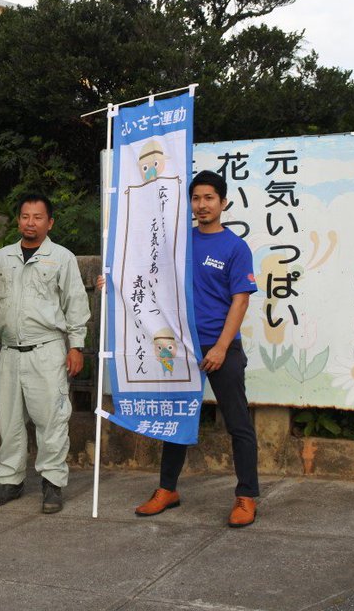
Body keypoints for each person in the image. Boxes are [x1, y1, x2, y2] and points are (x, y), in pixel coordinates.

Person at [132, 169, 260, 528]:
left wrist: (221, 347)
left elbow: (240, 302)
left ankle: (246, 495)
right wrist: (111, 281)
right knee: (177, 423)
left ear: (223, 203)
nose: (201, 205)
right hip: (182, 350)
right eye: (196, 198)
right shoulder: (179, 243)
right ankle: (167, 490)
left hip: (222, 350)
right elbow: (147, 278)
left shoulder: (235, 247)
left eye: (209, 198)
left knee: (238, 425)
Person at [0, 192, 91, 514]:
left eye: (38, 217)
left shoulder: (62, 258)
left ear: (50, 222)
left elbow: (76, 305)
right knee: (10, 421)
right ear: (18, 220)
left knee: (52, 421)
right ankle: (10, 482)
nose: (31, 223)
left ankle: (52, 484)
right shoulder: (2, 258)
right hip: (11, 352)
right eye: (25, 217)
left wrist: (76, 347)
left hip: (48, 351)